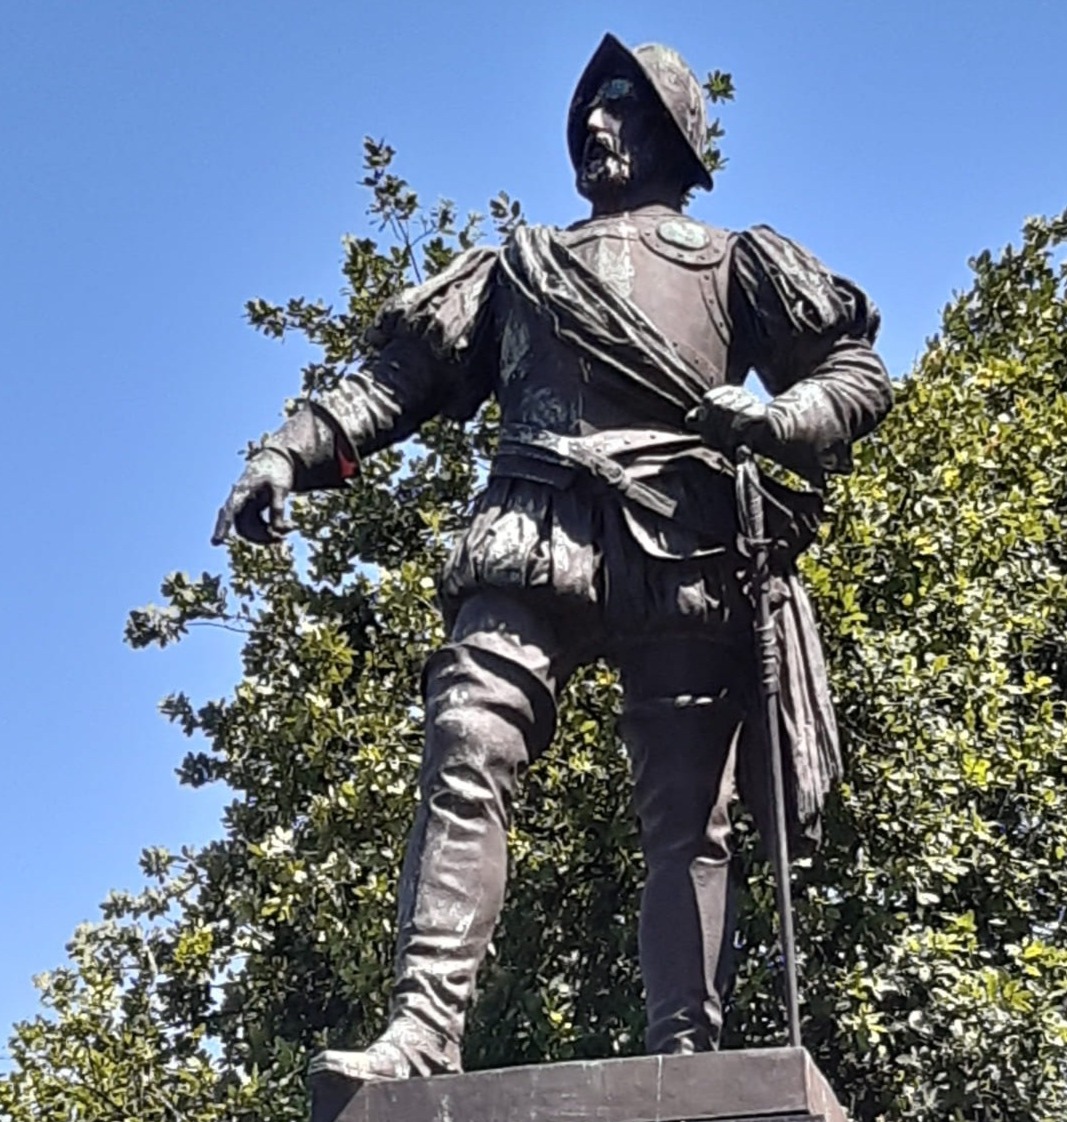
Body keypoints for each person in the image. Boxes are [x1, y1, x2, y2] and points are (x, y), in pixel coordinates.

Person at [212, 33, 892, 1087]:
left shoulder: (733, 261)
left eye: (620, 110)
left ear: (674, 134)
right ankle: (420, 1034)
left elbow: (852, 369)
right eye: (584, 112)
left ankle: (684, 1053)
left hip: (681, 535)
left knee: (686, 811)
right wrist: (286, 452)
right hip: (531, 523)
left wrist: (779, 414)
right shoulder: (519, 267)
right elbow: (399, 380)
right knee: (464, 740)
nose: (593, 127)